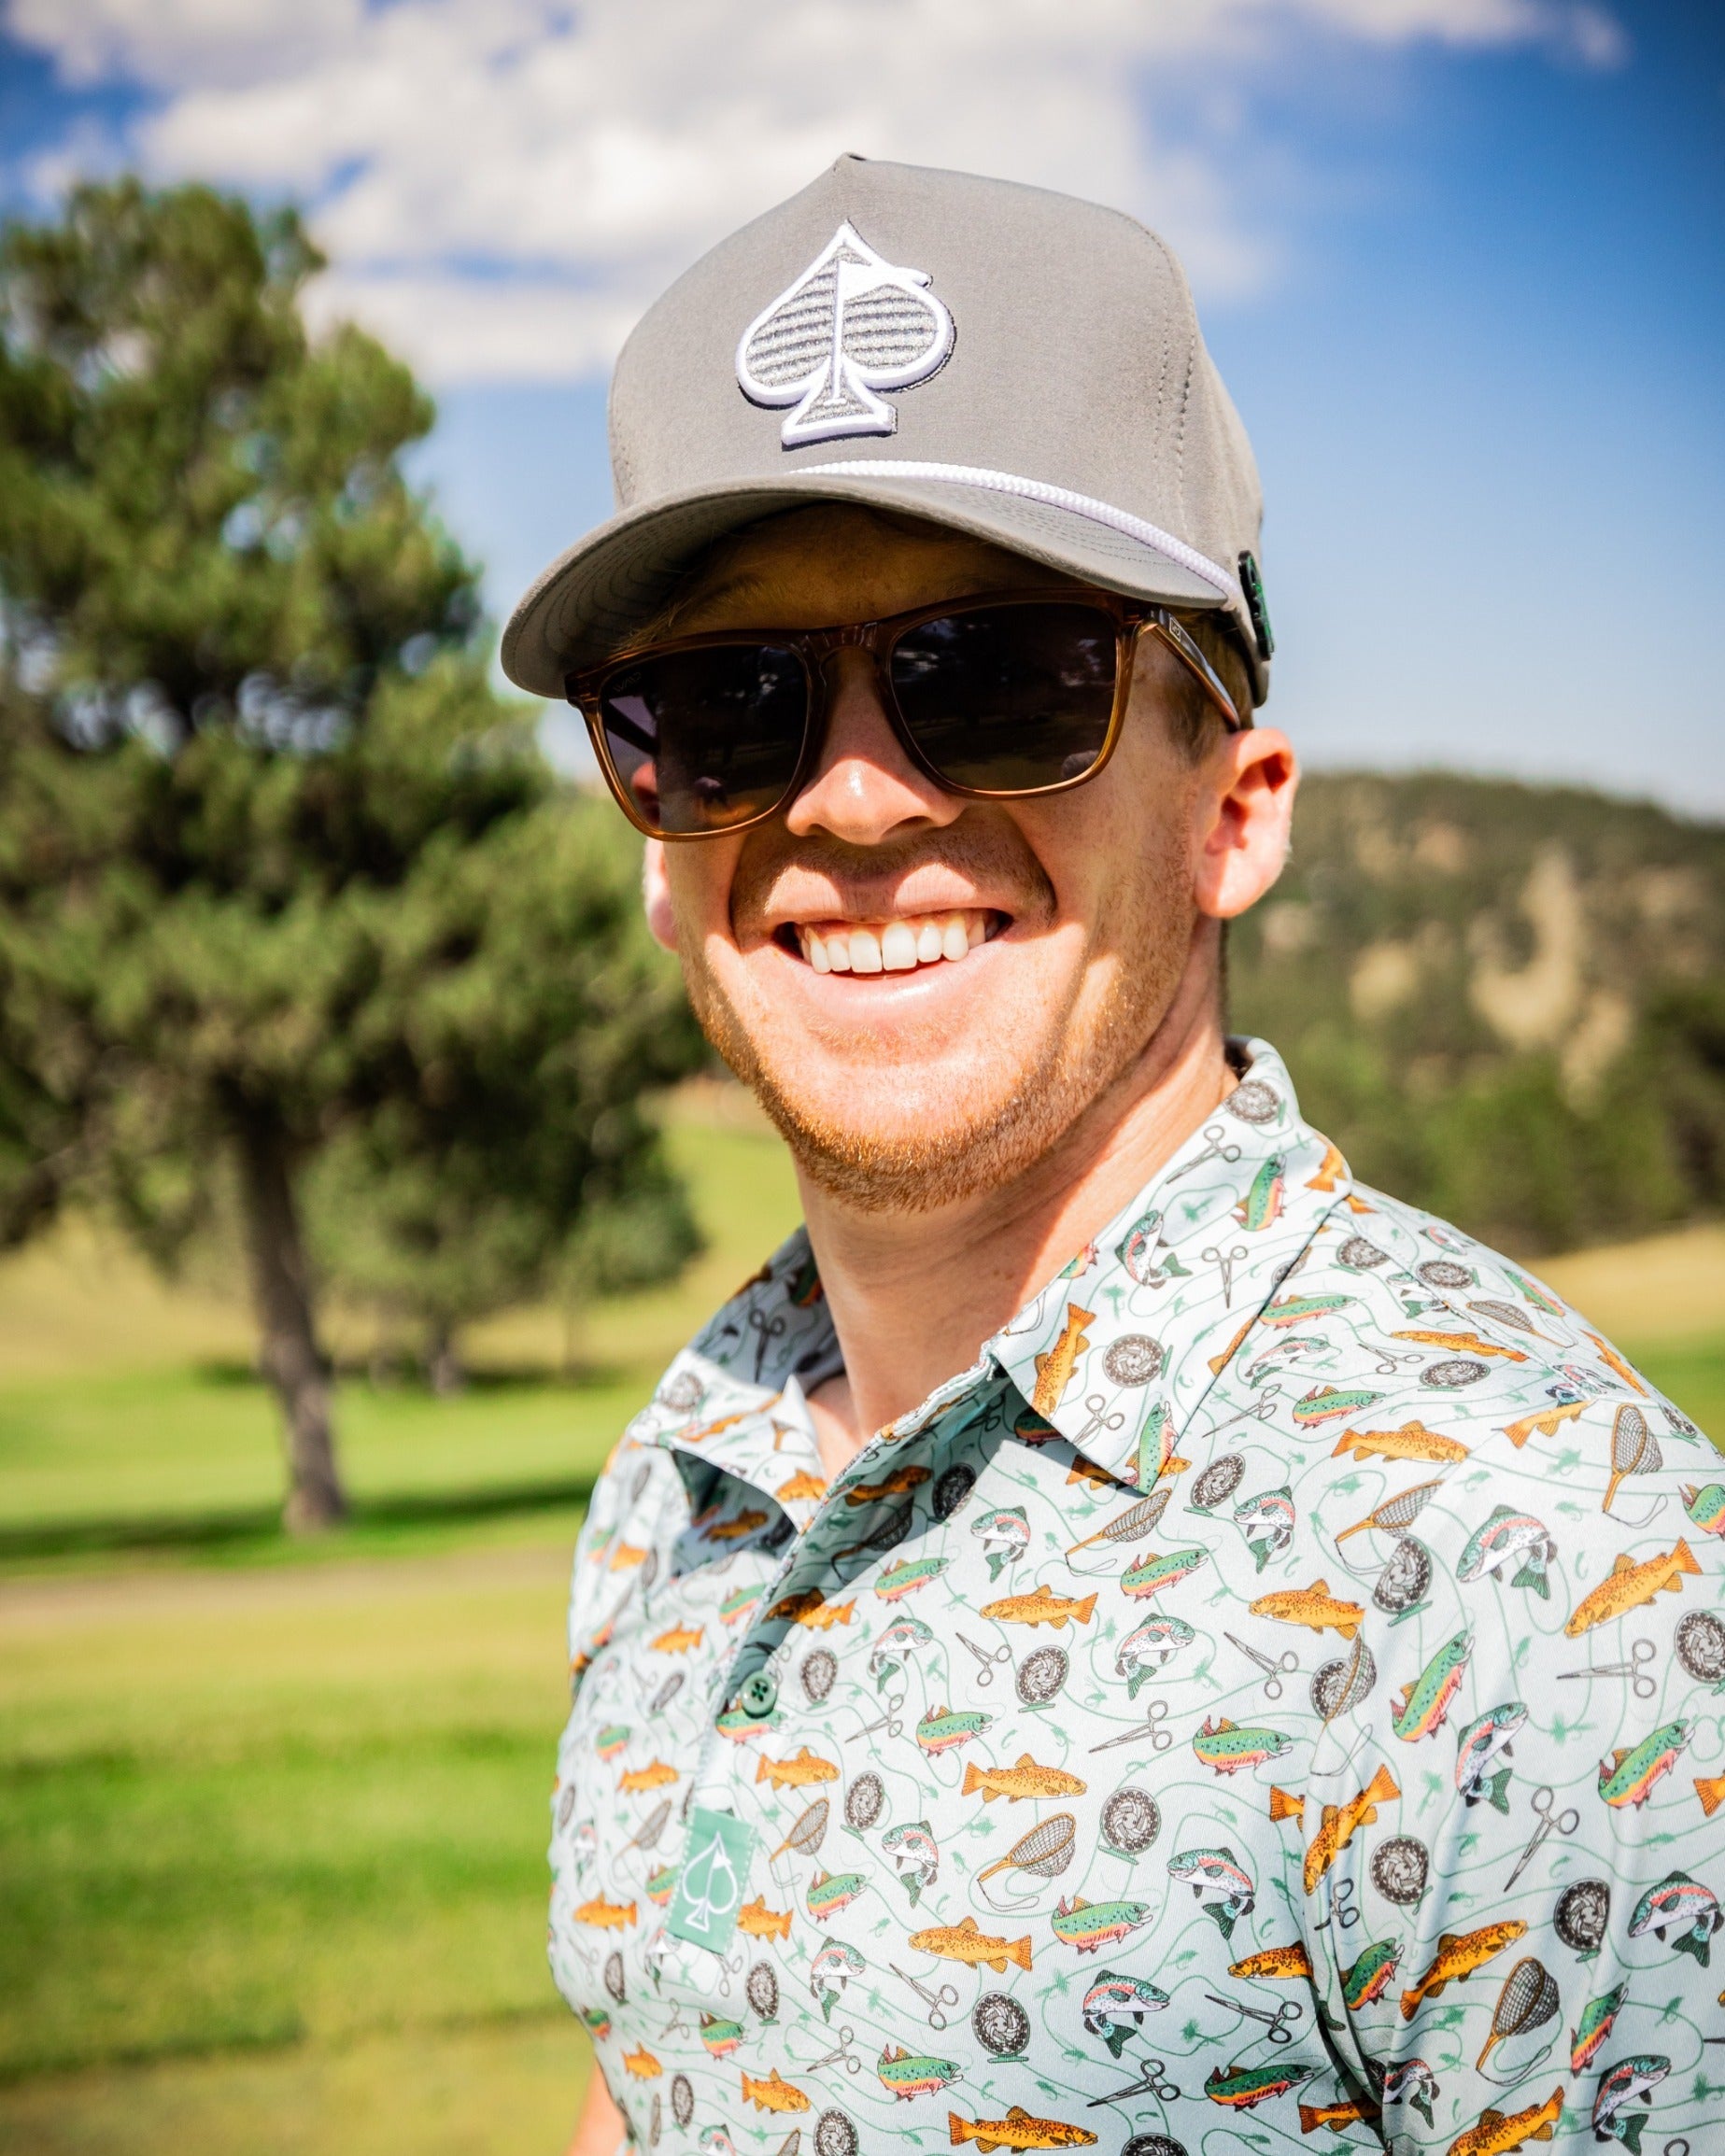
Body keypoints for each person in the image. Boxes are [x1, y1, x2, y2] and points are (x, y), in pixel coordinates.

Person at [505, 157, 1721, 2156]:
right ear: (656, 850)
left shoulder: (1538, 1570)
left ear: (1234, 808)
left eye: (1000, 677)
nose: (856, 797)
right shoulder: (692, 1457)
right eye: (724, 706)